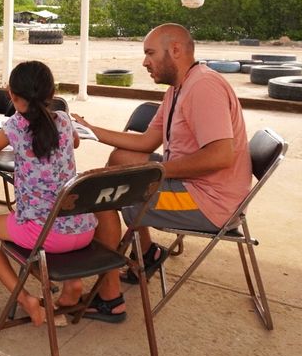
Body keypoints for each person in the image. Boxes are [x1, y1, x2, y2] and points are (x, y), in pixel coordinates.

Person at [72, 23, 252, 322]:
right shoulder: (179, 88)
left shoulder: (204, 87)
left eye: (150, 53)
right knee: (120, 159)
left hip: (206, 203)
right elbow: (145, 142)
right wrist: (91, 130)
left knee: (100, 196)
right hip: (193, 185)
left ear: (176, 50)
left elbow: (221, 155)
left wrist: (155, 171)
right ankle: (147, 253)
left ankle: (110, 299)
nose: (144, 62)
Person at [0, 61, 95, 329]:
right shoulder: (63, 119)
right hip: (83, 228)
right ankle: (72, 284)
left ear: (11, 96)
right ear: (52, 94)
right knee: (26, 226)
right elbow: (76, 142)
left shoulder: (15, 126)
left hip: (46, 233)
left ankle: (25, 299)